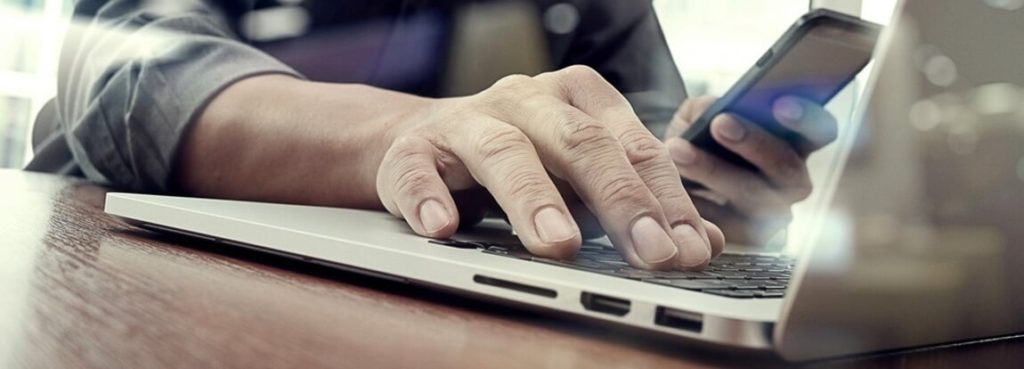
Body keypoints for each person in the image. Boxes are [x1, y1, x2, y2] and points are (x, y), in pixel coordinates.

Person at [27, 0, 837, 271]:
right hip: (116, 269)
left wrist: (705, 194)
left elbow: (637, 132)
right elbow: (131, 74)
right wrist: (409, 131)